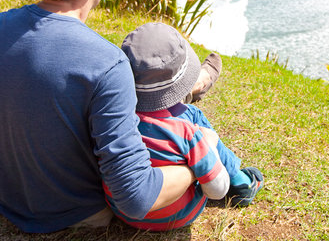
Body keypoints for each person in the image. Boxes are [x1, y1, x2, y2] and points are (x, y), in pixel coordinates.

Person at [0, 0, 195, 233]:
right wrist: (193, 168)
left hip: (7, 195)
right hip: (76, 213)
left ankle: (192, 91)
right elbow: (136, 197)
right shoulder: (108, 63)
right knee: (181, 130)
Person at [107, 22, 264, 231]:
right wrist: (208, 148)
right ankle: (241, 183)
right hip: (178, 214)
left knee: (184, 112)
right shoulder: (186, 131)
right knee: (191, 114)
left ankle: (197, 86)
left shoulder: (113, 120)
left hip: (122, 212)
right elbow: (217, 190)